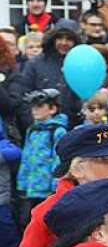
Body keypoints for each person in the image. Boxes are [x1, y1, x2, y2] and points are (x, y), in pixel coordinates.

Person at [15, 20, 83, 129]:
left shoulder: (82, 64)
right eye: (60, 38)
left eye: (69, 39)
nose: (64, 43)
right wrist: (33, 126)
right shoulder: (35, 64)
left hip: (74, 128)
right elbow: (24, 98)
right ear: (53, 39)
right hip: (41, 129)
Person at [16, 90, 67, 224]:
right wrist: (22, 183)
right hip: (31, 188)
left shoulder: (58, 131)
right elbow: (26, 158)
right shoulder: (32, 130)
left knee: (45, 223)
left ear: (53, 109)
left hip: (47, 190)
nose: (34, 110)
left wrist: (55, 187)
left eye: (39, 106)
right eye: (33, 107)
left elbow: (58, 160)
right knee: (27, 222)